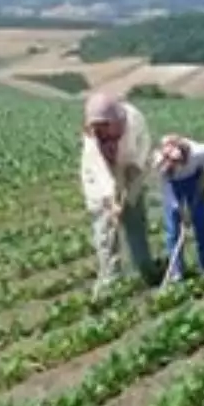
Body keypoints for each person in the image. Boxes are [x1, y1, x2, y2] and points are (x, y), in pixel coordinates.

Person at [80, 91, 157, 293]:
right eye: (98, 127)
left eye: (106, 126)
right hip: (101, 176)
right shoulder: (92, 140)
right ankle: (110, 277)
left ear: (117, 120)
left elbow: (144, 145)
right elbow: (99, 170)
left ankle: (144, 269)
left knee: (134, 216)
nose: (102, 131)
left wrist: (133, 174)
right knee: (105, 226)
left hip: (131, 165)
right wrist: (110, 201)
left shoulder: (134, 119)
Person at [153, 134, 204, 281]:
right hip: (173, 184)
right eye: (172, 162)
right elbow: (171, 195)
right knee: (173, 228)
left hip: (194, 180)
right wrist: (182, 213)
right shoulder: (160, 163)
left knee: (201, 223)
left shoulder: (201, 152)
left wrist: (194, 203)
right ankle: (176, 272)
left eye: (178, 161)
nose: (176, 164)